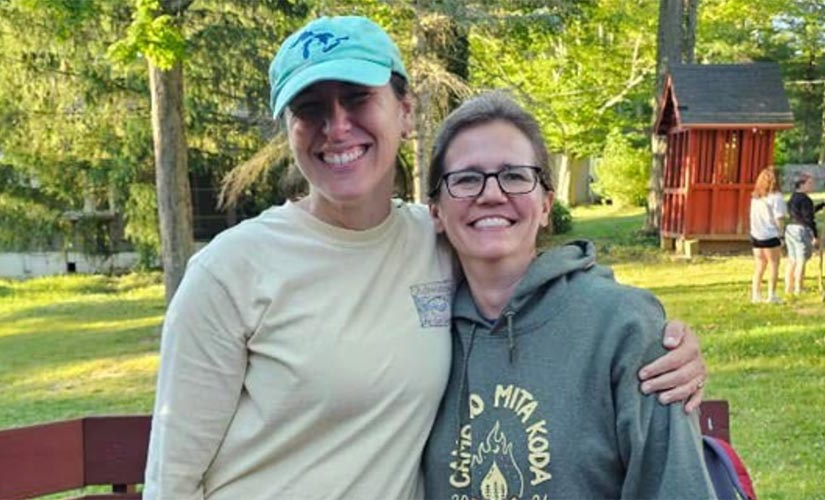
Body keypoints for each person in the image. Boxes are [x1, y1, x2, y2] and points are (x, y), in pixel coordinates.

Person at [142, 16, 707, 499]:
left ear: (405, 111)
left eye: (358, 98)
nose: (336, 127)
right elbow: (173, 474)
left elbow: (539, 282)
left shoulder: (436, 237)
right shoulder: (231, 269)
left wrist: (657, 339)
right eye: (309, 108)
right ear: (289, 130)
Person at [421, 91, 716, 499]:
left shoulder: (624, 327)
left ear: (545, 204)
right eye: (466, 178)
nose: (491, 194)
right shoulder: (418, 335)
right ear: (435, 211)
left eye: (515, 175)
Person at [749, 167, 787, 303]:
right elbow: (779, 219)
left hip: (756, 234)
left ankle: (756, 294)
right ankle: (772, 294)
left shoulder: (756, 197)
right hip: (770, 235)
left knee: (759, 265)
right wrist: (782, 236)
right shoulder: (776, 197)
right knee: (774, 264)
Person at [784, 172, 824, 295]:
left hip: (790, 228)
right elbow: (809, 219)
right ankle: (798, 288)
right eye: (810, 183)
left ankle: (788, 287)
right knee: (801, 260)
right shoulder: (806, 199)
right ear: (802, 184)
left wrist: (820, 206)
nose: (812, 186)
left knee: (792, 259)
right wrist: (815, 236)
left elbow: (804, 213)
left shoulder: (793, 198)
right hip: (801, 230)